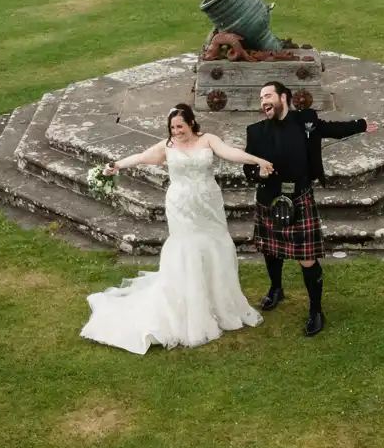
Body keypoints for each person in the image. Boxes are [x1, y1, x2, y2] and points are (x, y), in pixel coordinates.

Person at [80, 103, 278, 355]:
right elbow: (142, 156)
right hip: (181, 206)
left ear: (192, 123)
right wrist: (116, 165)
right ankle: (190, 307)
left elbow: (230, 153)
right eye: (173, 128)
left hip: (208, 205)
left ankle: (218, 301)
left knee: (215, 246)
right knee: (188, 249)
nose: (176, 132)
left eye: (180, 127)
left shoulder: (208, 140)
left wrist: (257, 159)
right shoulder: (168, 147)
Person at [243, 82, 374, 337]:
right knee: (270, 251)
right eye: (261, 98)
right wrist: (257, 173)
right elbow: (247, 166)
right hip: (269, 199)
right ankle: (276, 288)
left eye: (268, 96)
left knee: (307, 259)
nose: (263, 102)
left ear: (283, 97)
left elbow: (331, 129)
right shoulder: (256, 132)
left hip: (299, 197)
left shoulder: (306, 121)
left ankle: (316, 310)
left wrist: (361, 125)